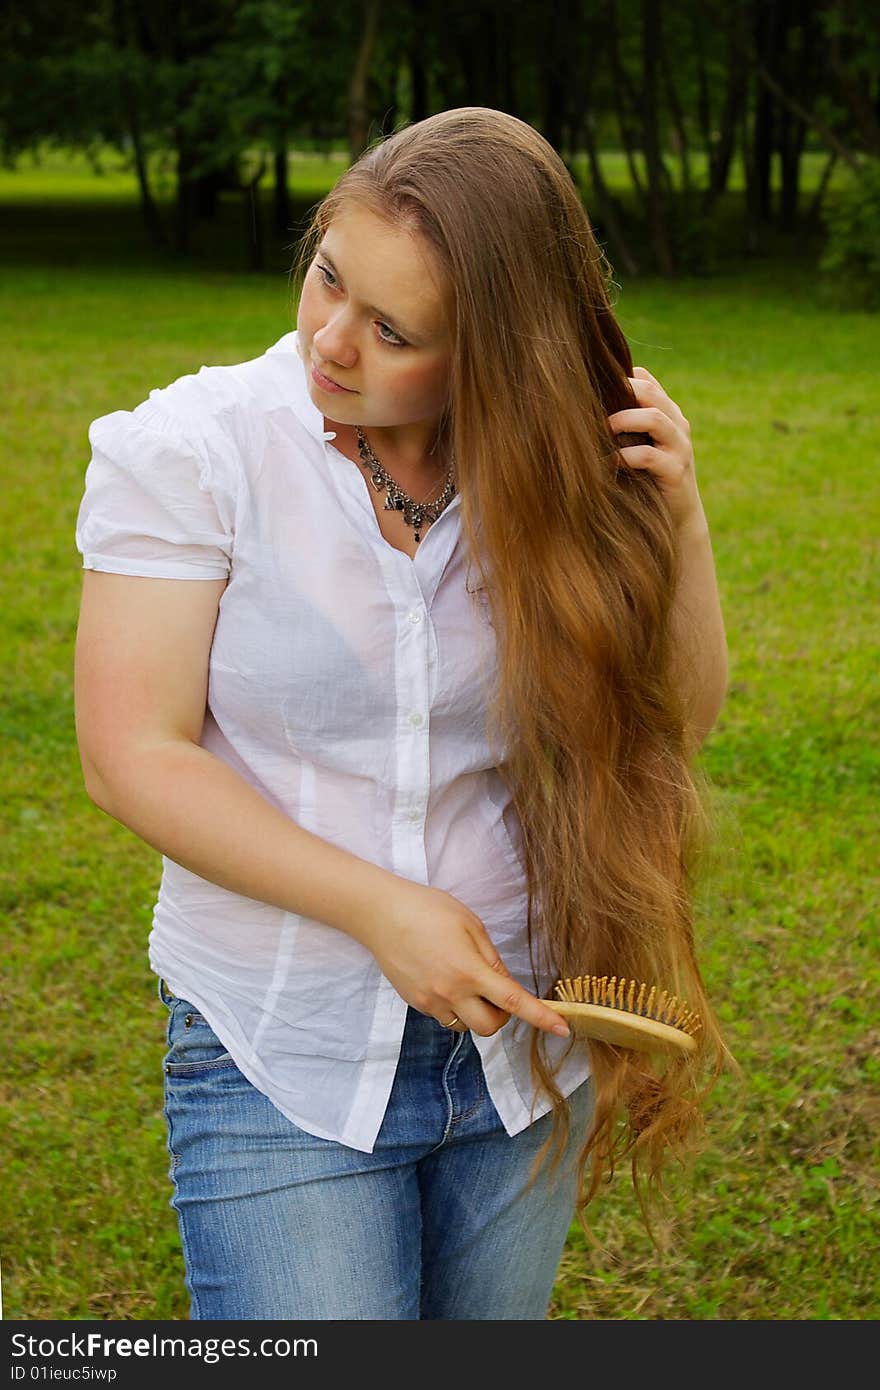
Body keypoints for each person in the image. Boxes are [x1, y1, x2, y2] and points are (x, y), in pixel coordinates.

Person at [73, 106, 729, 1321]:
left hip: (526, 1049)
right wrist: (383, 910)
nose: (329, 338)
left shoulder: (556, 460)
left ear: (496, 350)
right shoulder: (195, 451)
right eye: (328, 273)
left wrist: (676, 525)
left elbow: (673, 722)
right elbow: (132, 754)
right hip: (283, 1049)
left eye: (394, 329)